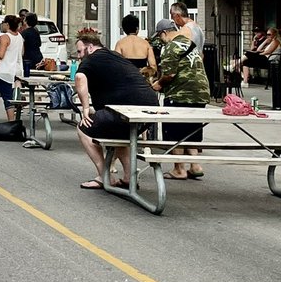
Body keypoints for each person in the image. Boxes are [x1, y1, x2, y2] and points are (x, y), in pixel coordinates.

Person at [73, 29, 157, 190]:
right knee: (119, 132)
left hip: (126, 110)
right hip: (150, 107)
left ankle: (106, 177)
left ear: (90, 48)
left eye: (79, 51)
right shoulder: (115, 56)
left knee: (84, 128)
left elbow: (79, 78)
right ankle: (128, 178)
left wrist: (85, 108)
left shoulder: (91, 59)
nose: (78, 56)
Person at [153, 17, 211, 179]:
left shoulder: (170, 47)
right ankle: (195, 165)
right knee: (192, 128)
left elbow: (170, 74)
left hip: (181, 93)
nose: (159, 40)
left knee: (174, 129)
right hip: (201, 92)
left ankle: (179, 168)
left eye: (159, 37)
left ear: (164, 33)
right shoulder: (190, 44)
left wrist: (158, 84)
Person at [0, 14, 24, 120]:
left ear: (7, 24)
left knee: (6, 97)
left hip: (5, 71)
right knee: (8, 93)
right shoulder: (19, 36)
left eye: (4, 23)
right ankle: (19, 99)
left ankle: (11, 121)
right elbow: (22, 52)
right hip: (17, 70)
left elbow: (1, 55)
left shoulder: (5, 37)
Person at [114, 13, 158, 83]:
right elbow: (153, 66)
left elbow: (116, 65)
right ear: (137, 28)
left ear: (124, 29)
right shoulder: (145, 44)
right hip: (142, 80)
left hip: (127, 80)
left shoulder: (120, 44)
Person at [21, 11, 43, 75]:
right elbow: (39, 44)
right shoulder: (36, 32)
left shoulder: (25, 33)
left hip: (28, 59)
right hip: (38, 57)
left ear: (26, 21)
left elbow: (21, 47)